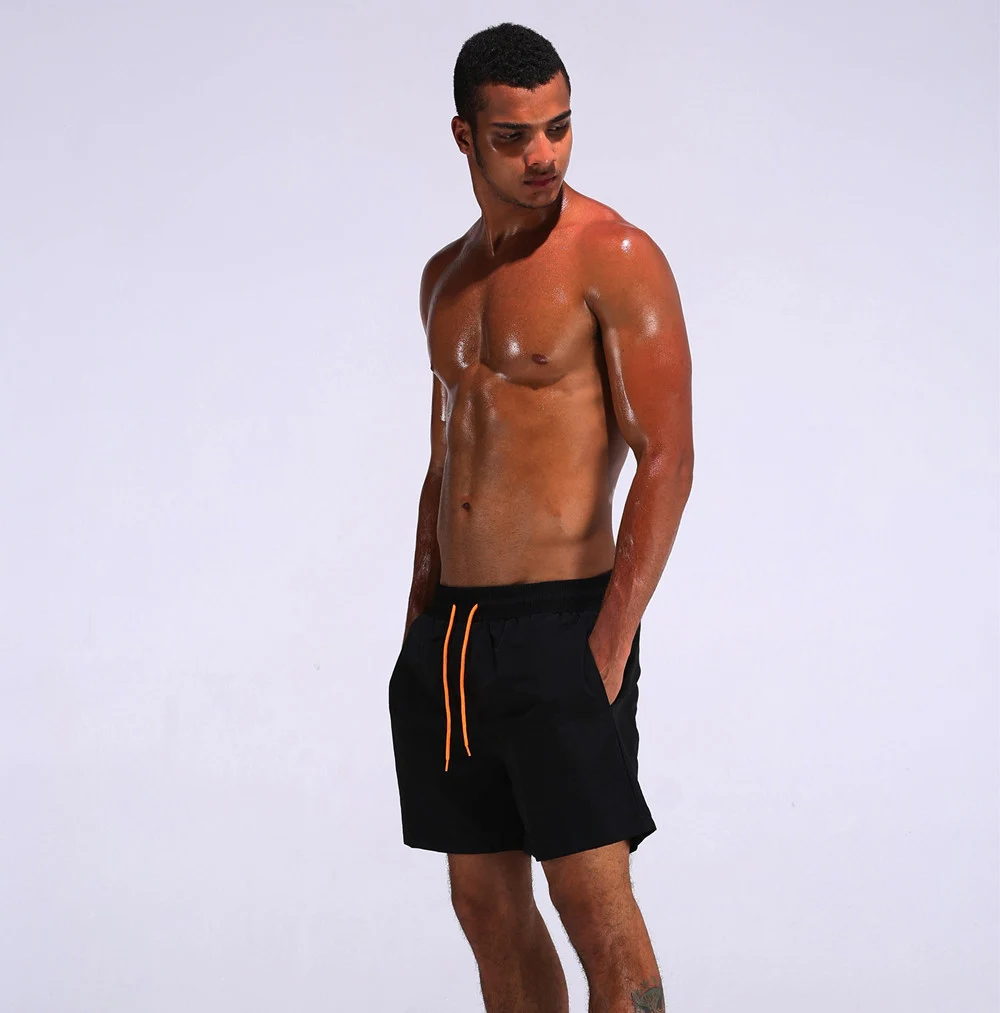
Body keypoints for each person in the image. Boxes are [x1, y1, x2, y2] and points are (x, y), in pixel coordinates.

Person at [387, 21, 693, 1013]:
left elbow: (667, 457)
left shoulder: (615, 255)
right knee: (485, 905)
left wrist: (609, 641)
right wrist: (420, 618)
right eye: (513, 136)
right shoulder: (444, 278)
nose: (542, 154)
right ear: (464, 136)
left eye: (558, 127)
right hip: (453, 635)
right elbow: (446, 456)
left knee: (593, 907)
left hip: (564, 621)